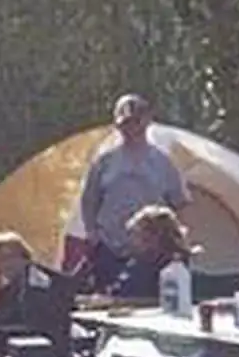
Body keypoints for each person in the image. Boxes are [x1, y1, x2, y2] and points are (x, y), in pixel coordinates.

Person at [80, 94, 189, 291]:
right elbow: (89, 201)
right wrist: (92, 233)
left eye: (136, 121)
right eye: (125, 123)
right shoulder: (104, 162)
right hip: (110, 247)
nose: (131, 128)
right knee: (109, 297)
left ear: (147, 121)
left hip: (151, 253)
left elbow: (179, 203)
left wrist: (174, 238)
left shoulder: (163, 162)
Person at [107, 205, 190, 300]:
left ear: (156, 235)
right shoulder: (135, 263)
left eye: (137, 233)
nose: (133, 239)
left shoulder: (176, 268)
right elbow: (118, 290)